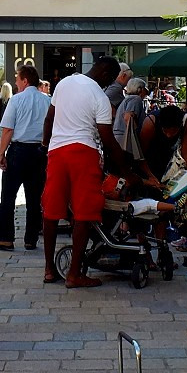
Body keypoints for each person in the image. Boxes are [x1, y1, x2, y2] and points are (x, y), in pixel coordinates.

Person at [42, 56, 133, 289]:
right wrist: (125, 170)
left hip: (57, 152)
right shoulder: (99, 97)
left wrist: (46, 144)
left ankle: (49, 270)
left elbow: (49, 118)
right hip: (84, 153)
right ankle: (74, 275)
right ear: (105, 75)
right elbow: (107, 138)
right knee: (84, 213)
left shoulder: (63, 83)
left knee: (51, 210)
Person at [0, 65, 51, 251]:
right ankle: (31, 238)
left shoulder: (16, 99)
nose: (16, 82)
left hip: (18, 151)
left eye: (18, 78)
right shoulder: (47, 101)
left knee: (8, 196)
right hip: (40, 152)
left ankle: (6, 237)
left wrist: (1, 153)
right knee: (34, 198)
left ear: (25, 80)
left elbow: (8, 129)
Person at [140, 103, 187, 182]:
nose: (169, 136)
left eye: (173, 132)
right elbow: (141, 155)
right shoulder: (150, 122)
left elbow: (186, 151)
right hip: (149, 162)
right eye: (165, 131)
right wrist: (150, 176)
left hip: (168, 161)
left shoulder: (186, 121)